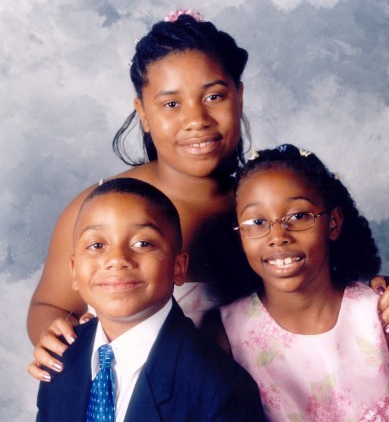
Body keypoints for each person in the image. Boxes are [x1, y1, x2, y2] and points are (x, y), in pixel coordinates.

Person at [28, 11, 389, 382]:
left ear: (239, 95)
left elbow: (333, 288)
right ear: (144, 113)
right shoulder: (100, 209)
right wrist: (52, 333)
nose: (196, 120)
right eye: (171, 103)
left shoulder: (267, 207)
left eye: (214, 96)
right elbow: (48, 305)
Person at [209, 144, 389, 421]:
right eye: (257, 221)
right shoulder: (225, 335)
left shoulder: (386, 317)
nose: (277, 236)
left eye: (298, 216)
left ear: (333, 223)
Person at [36, 177, 265, 422]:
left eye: (143, 243)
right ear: (73, 271)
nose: (117, 258)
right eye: (96, 244)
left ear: (178, 267)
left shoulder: (220, 389)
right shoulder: (61, 356)